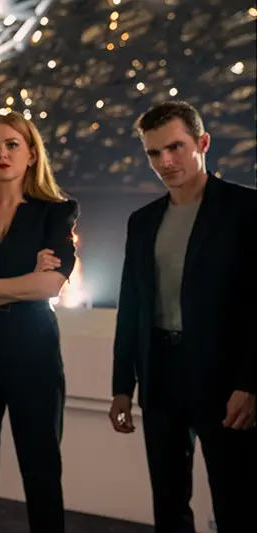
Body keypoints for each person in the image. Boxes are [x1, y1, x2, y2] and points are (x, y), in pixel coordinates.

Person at [109, 100, 256, 533]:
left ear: (202, 143)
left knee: (237, 502)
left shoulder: (246, 210)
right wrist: (122, 386)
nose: (165, 162)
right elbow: (131, 307)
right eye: (154, 153)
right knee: (168, 503)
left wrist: (251, 383)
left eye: (175, 147)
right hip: (161, 377)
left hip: (226, 380)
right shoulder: (142, 221)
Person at [0, 110, 78, 533]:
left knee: (42, 471)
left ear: (31, 155)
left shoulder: (55, 212)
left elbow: (49, 286)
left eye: (12, 145)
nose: (1, 153)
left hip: (33, 350)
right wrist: (22, 281)